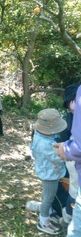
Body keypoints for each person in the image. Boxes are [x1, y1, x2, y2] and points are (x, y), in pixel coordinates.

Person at [31, 108, 67, 235]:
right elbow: (59, 158)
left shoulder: (38, 135)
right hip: (50, 174)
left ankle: (50, 212)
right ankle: (44, 221)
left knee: (47, 194)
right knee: (48, 198)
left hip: (45, 170)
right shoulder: (45, 145)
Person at [53, 85, 81, 237]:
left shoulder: (75, 116)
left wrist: (67, 149)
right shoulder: (69, 118)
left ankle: (67, 217)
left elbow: (77, 146)